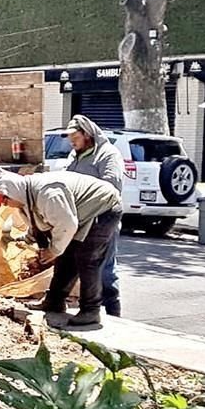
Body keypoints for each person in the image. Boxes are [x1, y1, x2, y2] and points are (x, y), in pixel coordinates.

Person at [0, 169, 122, 326]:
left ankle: (91, 310)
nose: (6, 205)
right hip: (79, 214)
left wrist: (53, 250)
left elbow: (66, 224)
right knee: (66, 257)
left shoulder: (49, 194)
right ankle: (54, 301)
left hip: (103, 207)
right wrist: (25, 240)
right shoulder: (25, 198)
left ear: (12, 193)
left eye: (5, 201)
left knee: (87, 259)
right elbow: (38, 225)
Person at [63, 115, 123, 316]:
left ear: (87, 134)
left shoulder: (107, 155)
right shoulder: (74, 156)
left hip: (102, 219)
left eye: (75, 137)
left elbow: (111, 189)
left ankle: (114, 312)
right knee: (76, 263)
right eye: (70, 138)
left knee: (105, 268)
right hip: (80, 220)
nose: (72, 142)